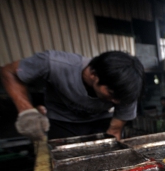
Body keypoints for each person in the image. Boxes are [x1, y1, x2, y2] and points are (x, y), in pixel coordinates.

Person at [0, 50, 144, 141]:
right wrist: (26, 111)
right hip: (62, 121)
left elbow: (114, 131)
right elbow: (9, 72)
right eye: (111, 94)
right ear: (94, 75)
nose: (116, 101)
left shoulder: (125, 92)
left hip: (98, 121)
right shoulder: (55, 63)